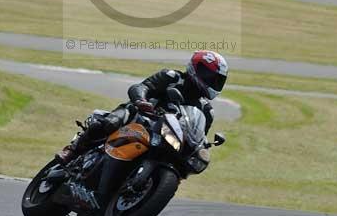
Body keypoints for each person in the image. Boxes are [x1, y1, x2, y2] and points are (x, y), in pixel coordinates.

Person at [57, 50, 229, 165]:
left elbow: (198, 136)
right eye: (208, 76)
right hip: (140, 118)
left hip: (166, 136)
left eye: (216, 80)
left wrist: (202, 147)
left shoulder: (206, 110)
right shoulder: (172, 77)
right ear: (196, 68)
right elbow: (141, 87)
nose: (211, 82)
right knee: (111, 121)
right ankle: (73, 150)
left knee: (183, 163)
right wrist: (141, 101)